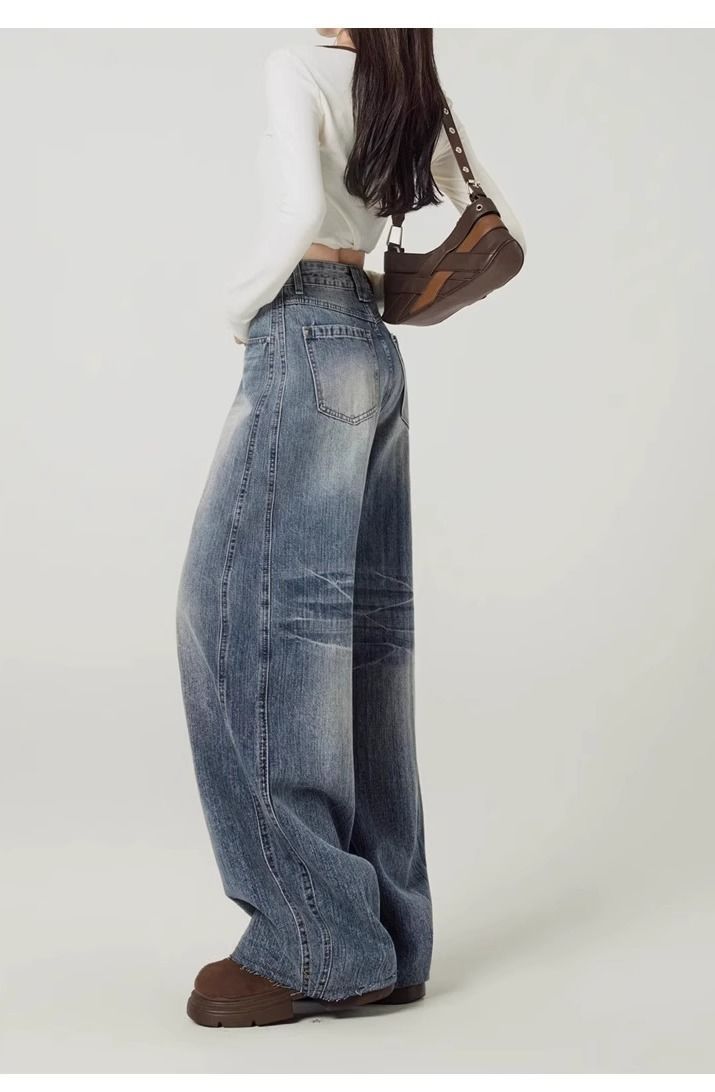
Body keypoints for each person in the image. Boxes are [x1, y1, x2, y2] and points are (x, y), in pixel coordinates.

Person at [176, 27, 526, 1029]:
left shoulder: (297, 67)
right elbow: (489, 213)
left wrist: (238, 306)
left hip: (300, 334)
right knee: (361, 637)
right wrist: (368, 289)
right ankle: (387, 941)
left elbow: (297, 213)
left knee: (242, 619)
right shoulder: (407, 78)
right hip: (373, 349)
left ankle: (313, 942)